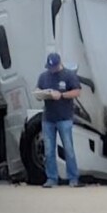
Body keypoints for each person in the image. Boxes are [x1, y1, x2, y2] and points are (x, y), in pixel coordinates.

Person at [36, 52, 81, 187]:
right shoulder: (44, 76)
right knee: (49, 150)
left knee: (68, 148)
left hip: (64, 117)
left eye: (54, 67)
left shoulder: (69, 75)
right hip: (48, 118)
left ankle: (73, 177)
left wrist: (61, 95)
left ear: (59, 64)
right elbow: (38, 89)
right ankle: (52, 178)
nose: (52, 70)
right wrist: (40, 94)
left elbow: (77, 91)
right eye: (50, 67)